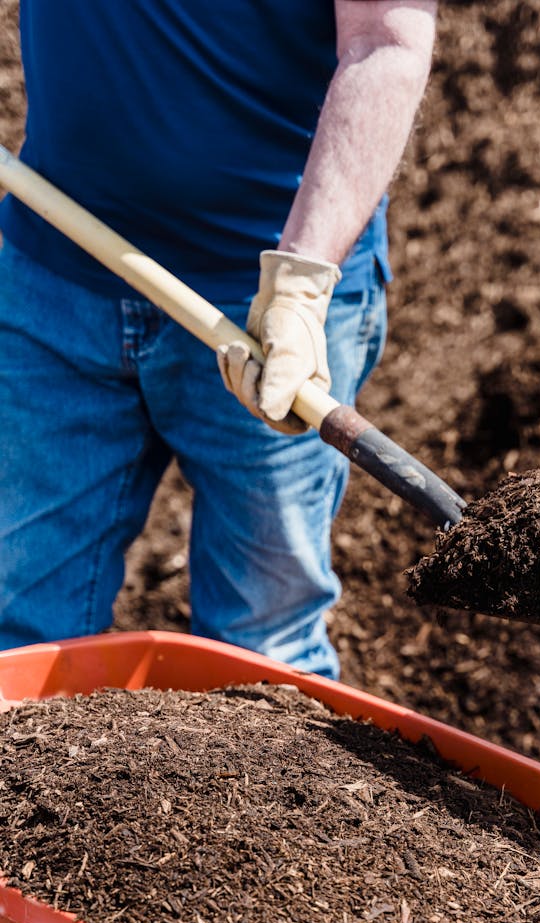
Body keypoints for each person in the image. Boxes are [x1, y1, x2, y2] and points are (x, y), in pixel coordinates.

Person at [0, 0, 437, 678]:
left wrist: (299, 285)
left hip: (267, 303)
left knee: (263, 651)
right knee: (17, 625)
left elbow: (385, 41)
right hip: (57, 268)